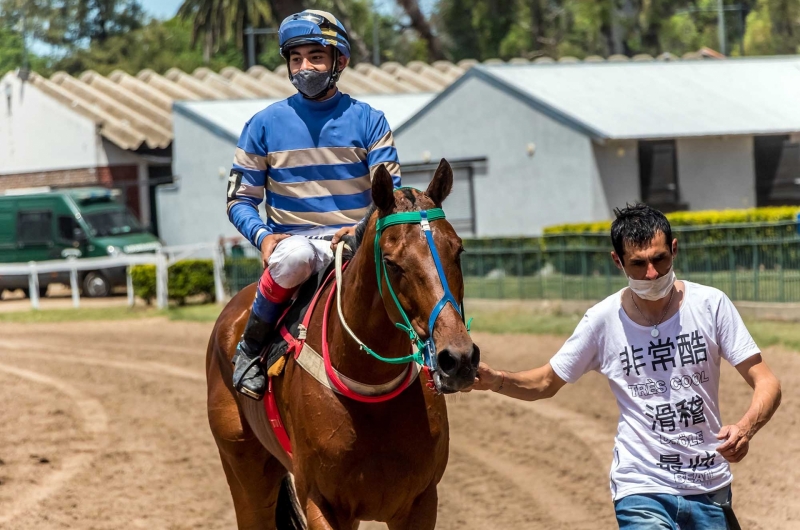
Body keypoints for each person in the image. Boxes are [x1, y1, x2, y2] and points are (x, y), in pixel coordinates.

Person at [466, 204, 782, 529]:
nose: (652, 273)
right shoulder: (601, 321)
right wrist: (497, 380)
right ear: (617, 261)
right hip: (640, 486)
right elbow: (546, 382)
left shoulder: (711, 305)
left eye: (660, 259)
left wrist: (745, 429)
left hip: (709, 484)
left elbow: (767, 382)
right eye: (638, 263)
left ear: (674, 249)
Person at [227, 10, 401, 400]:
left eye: (315, 57)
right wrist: (262, 237)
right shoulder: (262, 124)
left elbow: (389, 198)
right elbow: (239, 198)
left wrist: (358, 232)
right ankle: (251, 349)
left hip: (356, 246)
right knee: (294, 258)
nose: (304, 67)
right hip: (295, 244)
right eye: (295, 58)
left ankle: (432, 354)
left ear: (340, 61)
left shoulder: (371, 121)